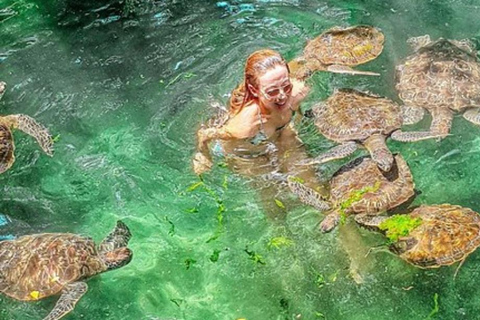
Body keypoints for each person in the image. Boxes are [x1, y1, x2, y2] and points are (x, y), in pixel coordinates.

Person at [192, 49, 327, 205]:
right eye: (273, 91)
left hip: (282, 134)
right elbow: (206, 133)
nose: (283, 95)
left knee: (316, 188)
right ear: (255, 90)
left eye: (286, 86)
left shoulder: (297, 92)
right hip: (249, 153)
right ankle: (279, 227)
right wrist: (203, 154)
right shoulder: (247, 124)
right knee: (273, 195)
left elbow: (310, 62)